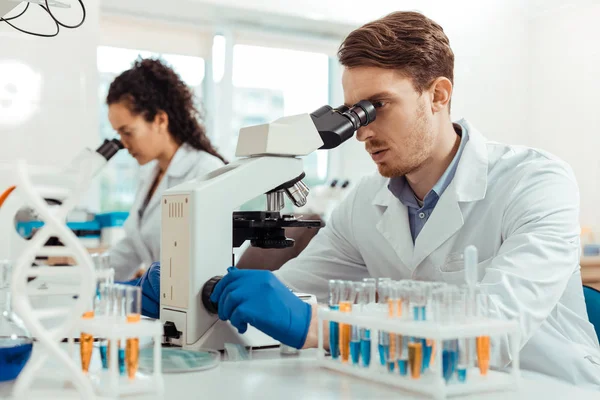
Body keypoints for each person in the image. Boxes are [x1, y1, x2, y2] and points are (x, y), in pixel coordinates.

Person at [138, 12, 600, 387]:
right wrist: (203, 294)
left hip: (545, 385)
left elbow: (496, 332)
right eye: (353, 113)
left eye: (378, 106)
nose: (361, 131)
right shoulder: (365, 202)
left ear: (438, 95)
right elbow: (290, 296)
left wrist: (319, 327)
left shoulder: (536, 181)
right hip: (428, 385)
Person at [105, 58, 226, 281]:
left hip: (195, 307)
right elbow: (132, 247)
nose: (123, 144)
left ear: (160, 120)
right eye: (118, 134)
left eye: (127, 132)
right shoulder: (150, 174)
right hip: (160, 304)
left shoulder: (206, 170)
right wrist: (81, 272)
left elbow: (211, 261)